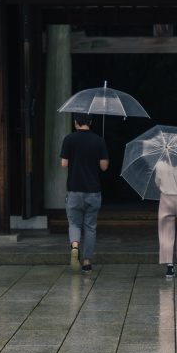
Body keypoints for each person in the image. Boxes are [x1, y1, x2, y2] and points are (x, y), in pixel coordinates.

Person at [60, 113, 109, 273]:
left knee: (74, 223)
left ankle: (75, 246)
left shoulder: (69, 139)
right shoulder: (99, 140)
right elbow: (104, 167)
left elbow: (63, 163)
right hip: (93, 190)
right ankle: (87, 261)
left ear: (75, 123)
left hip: (74, 189)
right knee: (90, 226)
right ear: (91, 122)